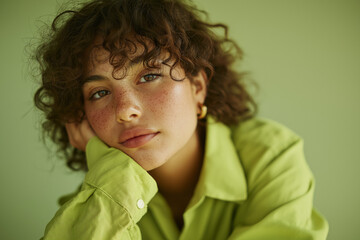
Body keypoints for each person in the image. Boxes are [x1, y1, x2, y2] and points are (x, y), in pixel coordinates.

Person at [34, 0, 328, 239]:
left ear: (197, 87)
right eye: (99, 93)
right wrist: (111, 177)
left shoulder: (271, 156)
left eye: (149, 76)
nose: (125, 110)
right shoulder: (95, 205)